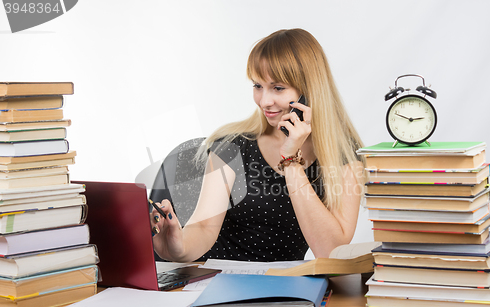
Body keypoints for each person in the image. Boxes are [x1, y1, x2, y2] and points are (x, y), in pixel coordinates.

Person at [151, 28, 366, 262]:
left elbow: (330, 252)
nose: (264, 101)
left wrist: (290, 159)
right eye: (257, 85)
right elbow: (203, 227)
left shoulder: (343, 154)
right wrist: (177, 248)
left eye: (278, 88)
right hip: (213, 282)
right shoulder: (233, 145)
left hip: (281, 291)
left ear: (309, 91)